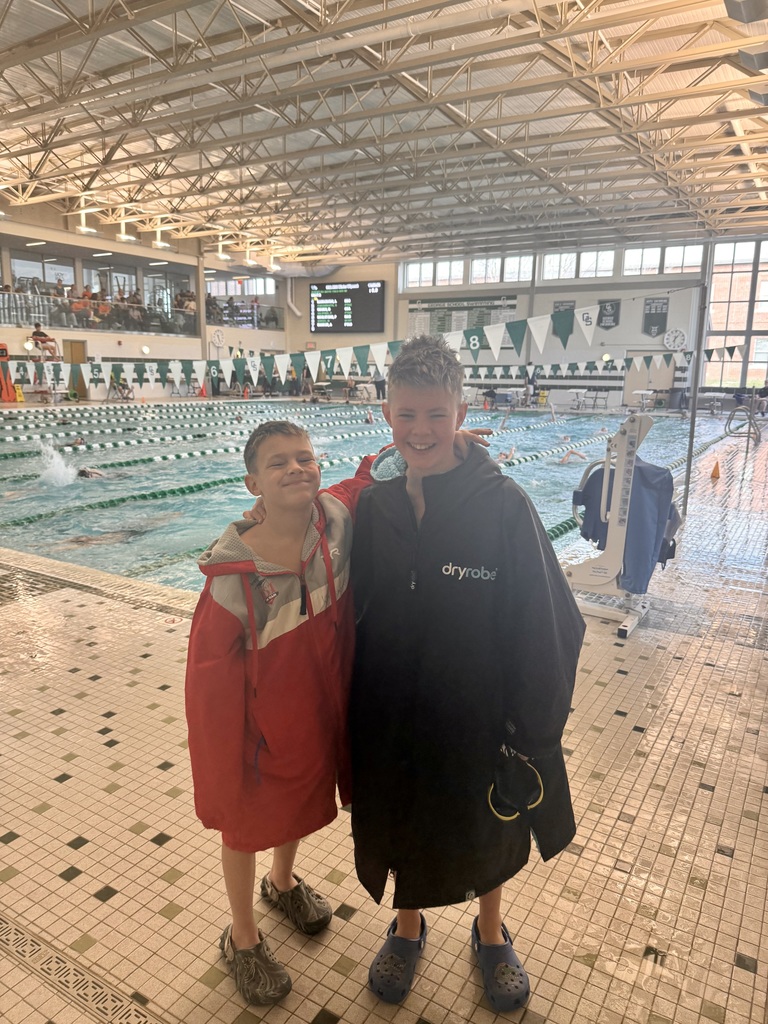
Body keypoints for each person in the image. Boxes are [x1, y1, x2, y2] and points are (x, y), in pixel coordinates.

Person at [349, 335, 585, 1013]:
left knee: (487, 822)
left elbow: (550, 623)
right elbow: (353, 611)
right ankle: (408, 924)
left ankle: (489, 932)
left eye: (434, 414)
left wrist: (531, 728)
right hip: (395, 709)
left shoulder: (503, 506)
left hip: (478, 712)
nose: (420, 431)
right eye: (407, 415)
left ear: (462, 411)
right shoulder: (378, 508)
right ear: (386, 415)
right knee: (404, 817)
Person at [184, 422, 378, 1007]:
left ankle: (283, 881)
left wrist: (441, 444)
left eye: (304, 458)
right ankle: (241, 935)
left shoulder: (333, 525)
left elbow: (366, 481)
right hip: (255, 735)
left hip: (317, 717)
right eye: (278, 464)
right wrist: (223, 770)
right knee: (245, 825)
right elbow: (208, 689)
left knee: (295, 804)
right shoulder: (232, 581)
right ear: (253, 483)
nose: (296, 469)